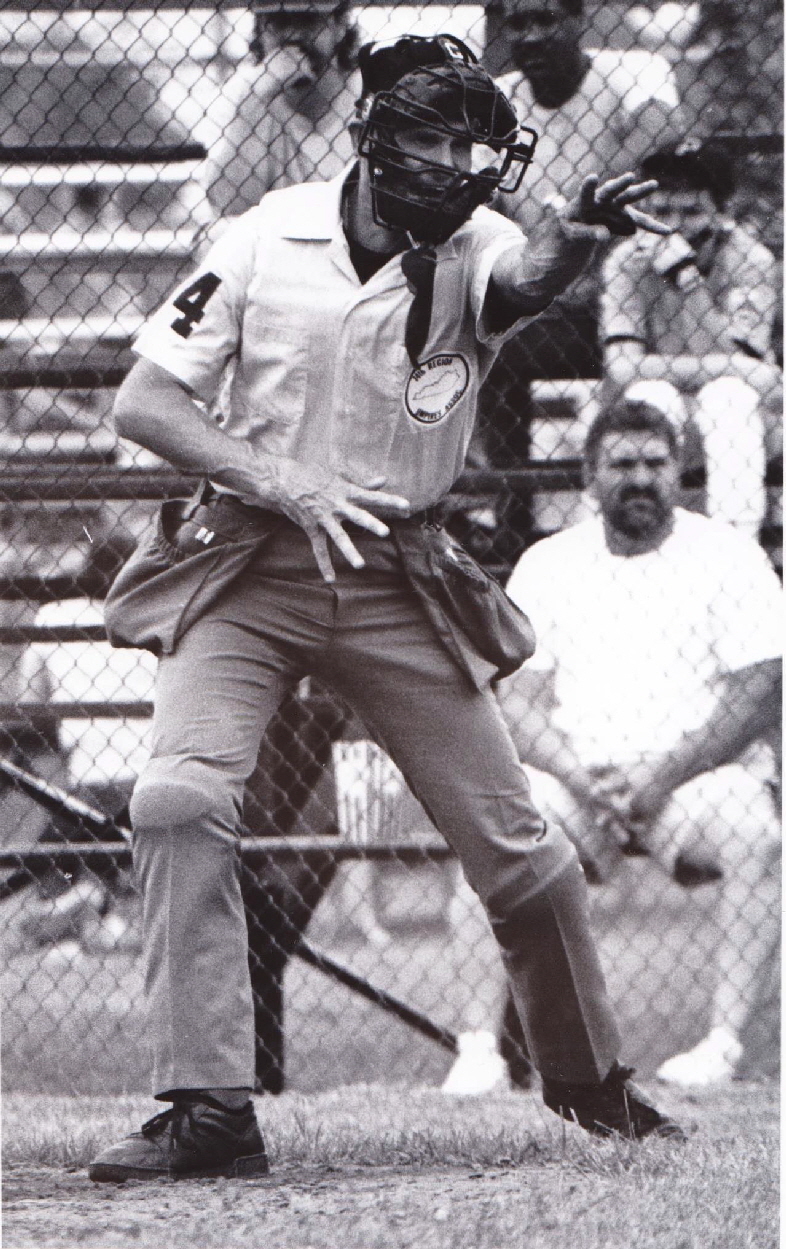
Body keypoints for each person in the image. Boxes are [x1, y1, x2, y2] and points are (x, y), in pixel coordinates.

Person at [87, 34, 684, 1184]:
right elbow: (146, 400)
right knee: (174, 799)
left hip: (396, 571)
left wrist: (574, 244)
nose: (454, 162)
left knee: (525, 854)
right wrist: (284, 478)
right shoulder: (267, 234)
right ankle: (210, 1109)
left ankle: (591, 1082)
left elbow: (524, 276)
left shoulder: (476, 244)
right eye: (426, 133)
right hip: (253, 558)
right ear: (368, 133)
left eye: (469, 139)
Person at [497, 397, 781, 1087]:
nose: (640, 478)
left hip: (692, 781)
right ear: (589, 478)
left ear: (680, 471)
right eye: (620, 464)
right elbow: (516, 700)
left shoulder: (728, 554)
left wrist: (665, 771)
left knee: (755, 827)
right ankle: (477, 1049)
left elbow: (761, 688)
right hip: (576, 777)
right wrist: (580, 773)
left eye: (656, 462)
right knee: (499, 816)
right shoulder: (548, 562)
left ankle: (722, 1046)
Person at [472, 0, 687, 568]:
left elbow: (665, 128)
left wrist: (588, 196)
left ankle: (656, 524)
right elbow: (476, 193)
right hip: (548, 304)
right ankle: (511, 522)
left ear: (579, 21)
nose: (533, 36)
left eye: (547, 19)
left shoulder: (630, 71)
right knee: (491, 338)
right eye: (518, 24)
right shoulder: (501, 99)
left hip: (630, 298)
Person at [600, 140, 781, 539]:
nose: (675, 227)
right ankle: (648, 547)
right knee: (653, 394)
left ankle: (737, 551)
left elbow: (743, 376)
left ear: (722, 212)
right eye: (663, 211)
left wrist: (686, 279)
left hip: (746, 425)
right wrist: (737, 368)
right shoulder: (626, 261)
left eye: (692, 211)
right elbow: (623, 368)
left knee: (728, 399)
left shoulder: (751, 259)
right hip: (660, 407)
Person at [199, 0, 361, 218]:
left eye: (308, 21)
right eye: (279, 22)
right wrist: (254, 101)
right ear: (259, 31)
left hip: (347, 239)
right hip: (269, 239)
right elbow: (230, 205)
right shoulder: (241, 92)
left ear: (339, 26)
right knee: (216, 234)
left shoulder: (370, 92)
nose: (293, 35)